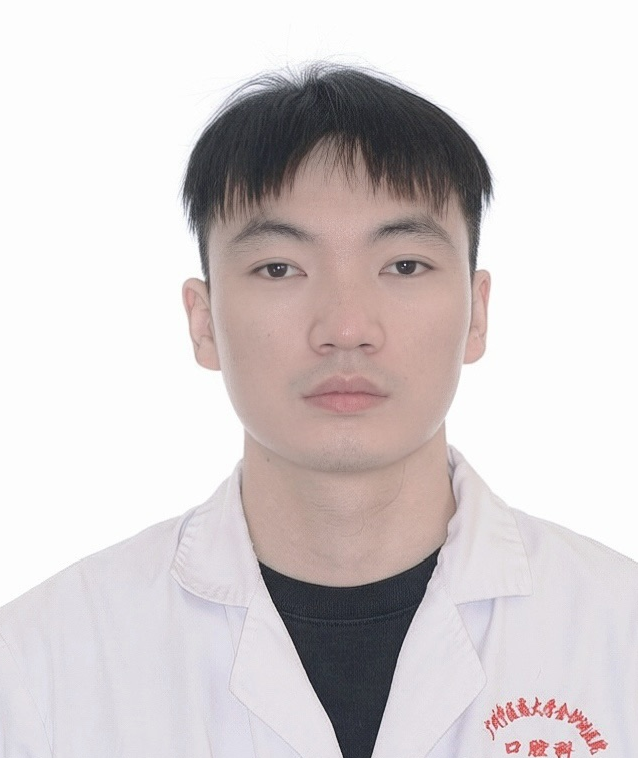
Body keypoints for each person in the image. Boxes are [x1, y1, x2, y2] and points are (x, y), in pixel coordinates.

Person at [0, 63, 636, 758]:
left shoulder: (617, 634)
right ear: (203, 321)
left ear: (477, 313)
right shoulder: (39, 664)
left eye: (404, 265)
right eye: (279, 268)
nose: (346, 327)